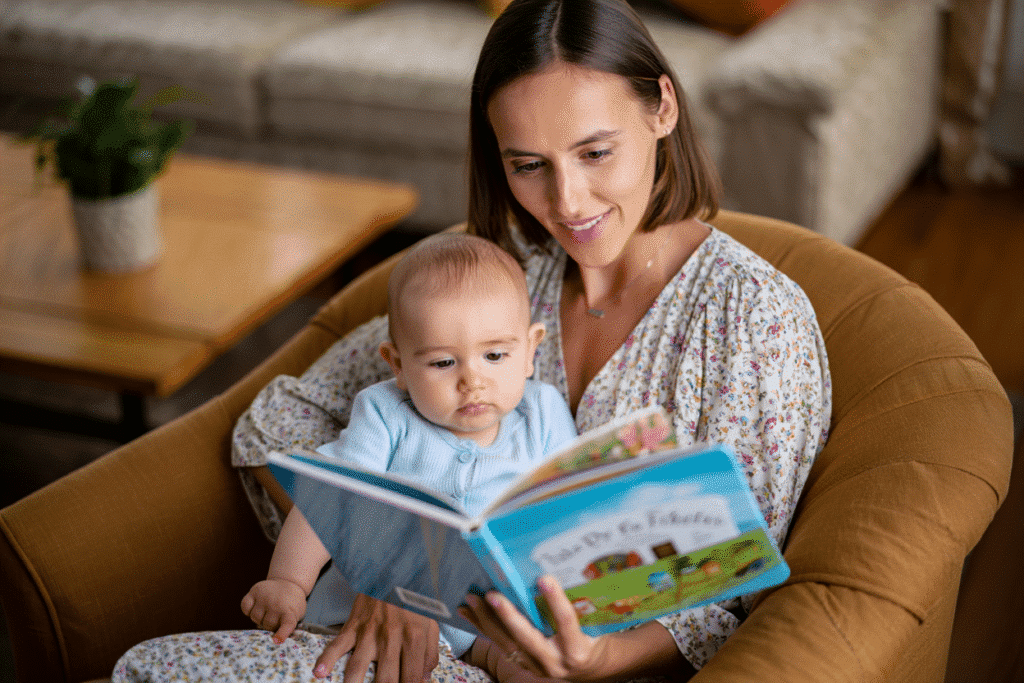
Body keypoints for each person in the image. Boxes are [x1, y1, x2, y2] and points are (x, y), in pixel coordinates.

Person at [112, 0, 830, 681]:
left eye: (595, 151)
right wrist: (398, 568)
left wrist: (595, 662)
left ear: (662, 108)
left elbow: (731, 589)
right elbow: (278, 420)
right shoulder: (506, 281)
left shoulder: (754, 318)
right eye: (528, 165)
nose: (568, 202)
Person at [239, 232, 578, 670]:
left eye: (495, 355)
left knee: (539, 669)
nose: (471, 380)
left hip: (492, 625)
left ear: (531, 350)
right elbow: (331, 500)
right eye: (442, 363)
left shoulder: (544, 412)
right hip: (362, 620)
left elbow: (572, 499)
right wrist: (288, 581)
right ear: (397, 364)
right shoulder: (385, 414)